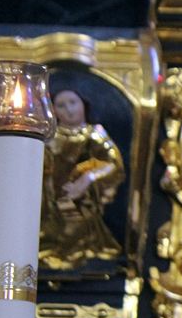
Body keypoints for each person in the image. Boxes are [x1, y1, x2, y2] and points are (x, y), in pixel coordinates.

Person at [39, 88, 126, 271]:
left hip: (79, 202)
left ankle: (70, 257)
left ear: (83, 105)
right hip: (46, 201)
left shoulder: (94, 134)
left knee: (75, 230)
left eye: (73, 103)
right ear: (53, 111)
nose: (69, 110)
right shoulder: (48, 137)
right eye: (61, 105)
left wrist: (89, 177)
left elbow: (114, 164)